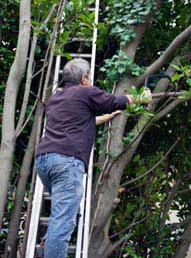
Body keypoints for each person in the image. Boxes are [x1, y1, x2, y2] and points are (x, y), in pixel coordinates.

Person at [35, 58, 152, 258]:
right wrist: (139, 97)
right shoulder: (86, 91)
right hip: (67, 162)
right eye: (89, 76)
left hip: (45, 160)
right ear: (84, 78)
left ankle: (45, 248)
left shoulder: (57, 97)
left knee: (67, 214)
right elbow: (115, 101)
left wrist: (108, 116)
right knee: (63, 221)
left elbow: (81, 119)